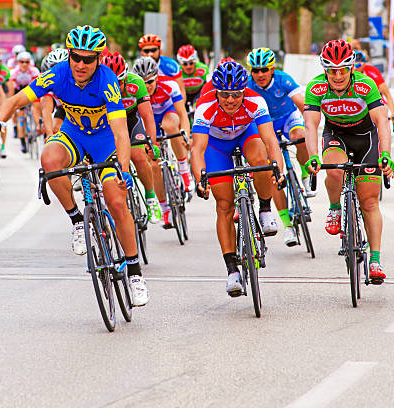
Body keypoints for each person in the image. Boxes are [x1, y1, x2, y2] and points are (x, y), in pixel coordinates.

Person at [0, 25, 149, 307]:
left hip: (104, 140)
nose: (81, 64)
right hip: (74, 133)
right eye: (76, 57)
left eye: (89, 59)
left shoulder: (107, 81)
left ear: (98, 59)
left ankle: (135, 273)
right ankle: (76, 221)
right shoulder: (58, 74)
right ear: (69, 56)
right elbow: (14, 100)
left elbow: (122, 133)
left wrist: (123, 169)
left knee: (116, 201)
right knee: (49, 158)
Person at [303, 39, 394, 283]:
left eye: (342, 69)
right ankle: (335, 208)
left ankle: (375, 260)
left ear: (351, 68)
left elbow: (382, 123)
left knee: (369, 202)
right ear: (325, 69)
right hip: (336, 136)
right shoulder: (315, 88)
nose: (337, 75)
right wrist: (313, 156)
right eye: (332, 70)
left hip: (366, 138)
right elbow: (311, 126)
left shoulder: (366, 85)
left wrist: (386, 155)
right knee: (334, 172)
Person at [191, 62, 284, 296]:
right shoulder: (205, 106)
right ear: (216, 91)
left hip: (246, 135)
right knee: (223, 205)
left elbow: (271, 141)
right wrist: (199, 179)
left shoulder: (256, 101)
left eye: (236, 94)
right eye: (224, 94)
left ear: (245, 90)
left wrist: (279, 171)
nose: (230, 100)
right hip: (216, 146)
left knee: (262, 160)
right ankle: (232, 269)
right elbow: (198, 149)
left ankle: (264, 208)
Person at [246, 47, 313, 246]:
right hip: (264, 125)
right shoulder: (248, 85)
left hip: (287, 118)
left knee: (300, 136)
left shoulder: (283, 79)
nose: (260, 74)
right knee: (272, 173)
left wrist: (311, 124)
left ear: (272, 68)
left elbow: (301, 103)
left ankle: (305, 174)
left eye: (264, 70)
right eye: (255, 70)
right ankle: (288, 226)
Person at [132, 56, 193, 227]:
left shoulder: (170, 85)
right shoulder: (134, 91)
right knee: (154, 165)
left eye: (150, 81)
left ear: (157, 76)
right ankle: (164, 207)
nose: (147, 86)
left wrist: (185, 134)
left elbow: (182, 115)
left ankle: (183, 170)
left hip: (168, 112)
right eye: (143, 83)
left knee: (170, 126)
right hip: (149, 120)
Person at [102, 52, 162, 224]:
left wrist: (153, 143)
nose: (117, 85)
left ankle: (150, 198)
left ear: (126, 76)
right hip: (108, 124)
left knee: (138, 155)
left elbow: (147, 115)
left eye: (121, 81)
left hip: (131, 120)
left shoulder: (136, 83)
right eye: (113, 81)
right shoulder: (97, 85)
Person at [8, 51, 41, 153]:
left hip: (31, 90)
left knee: (36, 105)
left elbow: (37, 86)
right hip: (19, 91)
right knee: (21, 116)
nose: (24, 64)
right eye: (22, 62)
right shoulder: (14, 72)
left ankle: (38, 125)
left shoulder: (34, 71)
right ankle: (22, 140)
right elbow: (12, 90)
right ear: (18, 62)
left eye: (27, 62)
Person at [354, 51, 394, 126]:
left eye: (358, 65)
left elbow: (387, 94)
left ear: (364, 63)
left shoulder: (372, 71)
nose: (355, 68)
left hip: (374, 105)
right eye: (353, 65)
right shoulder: (348, 74)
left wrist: (393, 113)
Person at [138, 34, 186, 101]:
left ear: (160, 51)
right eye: (146, 51)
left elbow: (181, 91)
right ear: (141, 53)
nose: (150, 54)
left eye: (153, 50)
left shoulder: (171, 65)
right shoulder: (137, 68)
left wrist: (180, 109)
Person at [39, 48, 68, 137]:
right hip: (62, 108)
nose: (59, 70)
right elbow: (46, 108)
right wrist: (49, 133)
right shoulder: (48, 80)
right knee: (56, 130)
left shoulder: (78, 77)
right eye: (54, 66)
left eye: (62, 66)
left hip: (80, 109)